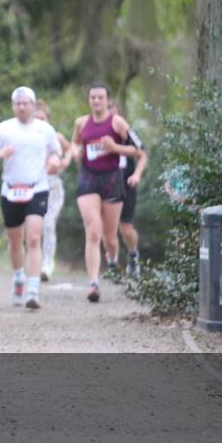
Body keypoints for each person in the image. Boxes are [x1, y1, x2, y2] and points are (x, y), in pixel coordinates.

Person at [0, 87, 61, 309]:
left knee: (34, 238)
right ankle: (19, 277)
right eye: (18, 103)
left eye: (26, 103)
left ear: (33, 105)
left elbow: (56, 152)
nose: (22, 107)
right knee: (15, 242)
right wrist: (0, 153)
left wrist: (55, 161)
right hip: (10, 190)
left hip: (37, 188)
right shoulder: (4, 128)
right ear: (13, 106)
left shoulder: (45, 129)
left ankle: (33, 289)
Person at [70, 83, 143, 302]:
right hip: (88, 179)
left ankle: (114, 258)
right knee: (93, 231)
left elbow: (139, 149)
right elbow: (74, 143)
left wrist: (115, 148)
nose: (96, 101)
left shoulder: (117, 122)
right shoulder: (81, 123)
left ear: (107, 100)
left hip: (112, 180)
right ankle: (93, 283)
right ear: (89, 100)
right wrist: (75, 151)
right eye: (93, 97)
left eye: (100, 97)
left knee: (110, 237)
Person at [107, 99, 148, 277]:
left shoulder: (127, 133)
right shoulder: (98, 134)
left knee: (125, 228)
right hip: (105, 184)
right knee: (106, 228)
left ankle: (133, 254)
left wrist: (136, 174)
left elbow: (143, 155)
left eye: (113, 113)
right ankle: (112, 261)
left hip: (126, 183)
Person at [33, 100, 73, 282]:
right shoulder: (27, 137)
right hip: (34, 185)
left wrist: (65, 162)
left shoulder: (56, 136)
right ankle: (34, 262)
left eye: (42, 118)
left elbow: (70, 148)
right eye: (36, 118)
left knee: (48, 224)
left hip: (53, 186)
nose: (39, 122)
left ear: (48, 119)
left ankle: (47, 263)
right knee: (34, 226)